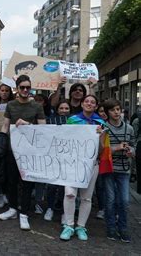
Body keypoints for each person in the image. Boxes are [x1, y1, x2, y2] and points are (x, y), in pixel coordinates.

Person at [0, 75, 46, 231]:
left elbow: (43, 129)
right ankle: (12, 208)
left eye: (28, 87)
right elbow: (5, 126)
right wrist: (1, 142)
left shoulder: (37, 107)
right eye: (22, 87)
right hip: (13, 149)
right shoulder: (11, 105)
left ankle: (24, 213)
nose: (25, 90)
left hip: (30, 152)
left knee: (27, 182)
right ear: (17, 89)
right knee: (11, 180)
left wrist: (28, 125)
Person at [59, 94, 105, 241]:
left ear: (96, 106)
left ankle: (81, 227)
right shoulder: (72, 120)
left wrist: (99, 137)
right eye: (87, 101)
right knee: (69, 193)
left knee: (86, 198)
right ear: (82, 104)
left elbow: (102, 149)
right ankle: (68, 225)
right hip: (73, 163)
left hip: (92, 164)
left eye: (92, 102)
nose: (89, 104)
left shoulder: (101, 122)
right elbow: (65, 141)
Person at [103, 98, 135, 243]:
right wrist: (116, 148)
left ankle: (122, 228)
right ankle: (111, 227)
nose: (116, 112)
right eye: (112, 110)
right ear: (107, 112)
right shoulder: (104, 128)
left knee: (124, 200)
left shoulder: (129, 128)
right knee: (110, 200)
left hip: (124, 169)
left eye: (118, 109)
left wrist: (131, 151)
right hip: (109, 169)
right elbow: (100, 150)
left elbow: (133, 145)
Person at [43, 100, 71, 222]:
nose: (64, 111)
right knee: (52, 185)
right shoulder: (50, 120)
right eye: (61, 108)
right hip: (54, 158)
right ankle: (50, 208)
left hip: (70, 158)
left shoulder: (75, 122)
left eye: (66, 108)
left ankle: (65, 212)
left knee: (66, 187)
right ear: (57, 109)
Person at [95, 102, 109, 220]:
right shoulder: (95, 125)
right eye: (100, 111)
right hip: (98, 160)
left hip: (110, 160)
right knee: (100, 185)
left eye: (106, 111)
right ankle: (102, 208)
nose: (103, 113)